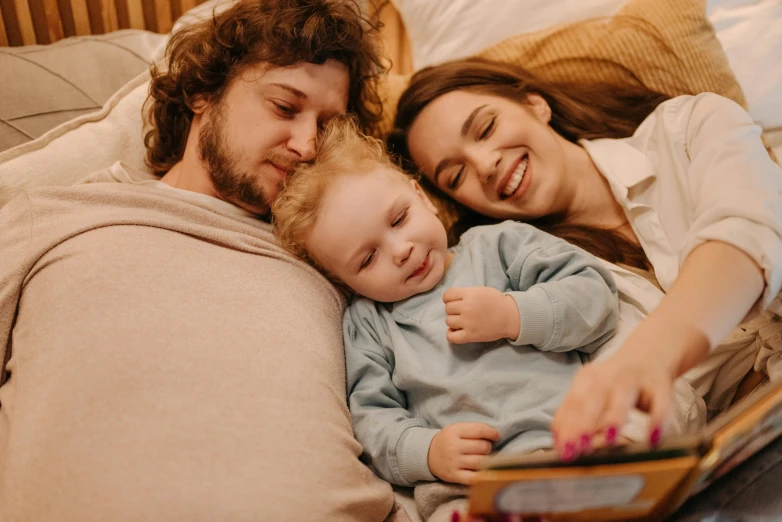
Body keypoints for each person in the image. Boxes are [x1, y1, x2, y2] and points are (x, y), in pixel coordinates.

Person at [0, 1, 399, 520]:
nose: (305, 145)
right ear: (202, 94)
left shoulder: (340, 254)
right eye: (284, 107)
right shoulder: (62, 214)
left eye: (326, 125)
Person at [386, 57, 782, 462]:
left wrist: (651, 356)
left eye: (486, 128)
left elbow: (748, 231)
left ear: (535, 103)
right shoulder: (549, 297)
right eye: (456, 176)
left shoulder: (688, 127)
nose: (486, 166)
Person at [271, 115, 641, 521]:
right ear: (344, 282)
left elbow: (594, 295)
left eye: (399, 220)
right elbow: (371, 420)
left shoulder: (498, 245)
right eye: (368, 258)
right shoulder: (369, 325)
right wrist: (428, 452)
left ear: (423, 198)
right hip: (474, 486)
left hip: (577, 440)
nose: (401, 250)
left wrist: (514, 314)